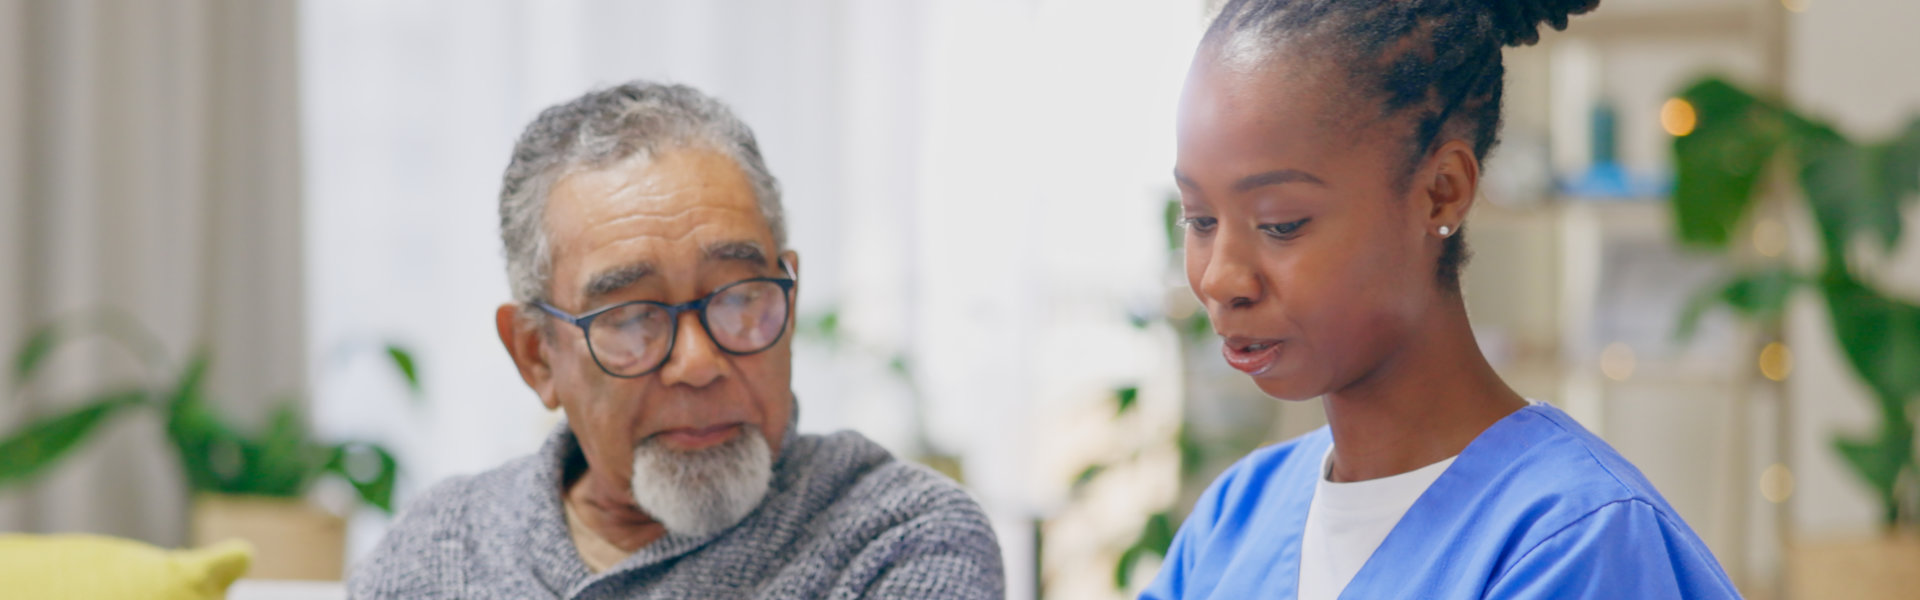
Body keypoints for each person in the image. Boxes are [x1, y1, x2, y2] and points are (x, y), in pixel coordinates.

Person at [1142, 0, 1741, 598]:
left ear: (1440, 193)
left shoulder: (1576, 544)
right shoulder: (1234, 520)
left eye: (1281, 224)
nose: (1220, 279)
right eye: (1198, 220)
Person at [349, 82, 1003, 599]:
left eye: (741, 297)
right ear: (536, 354)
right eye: (634, 317)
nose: (698, 363)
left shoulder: (898, 535)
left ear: (791, 299)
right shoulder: (431, 553)